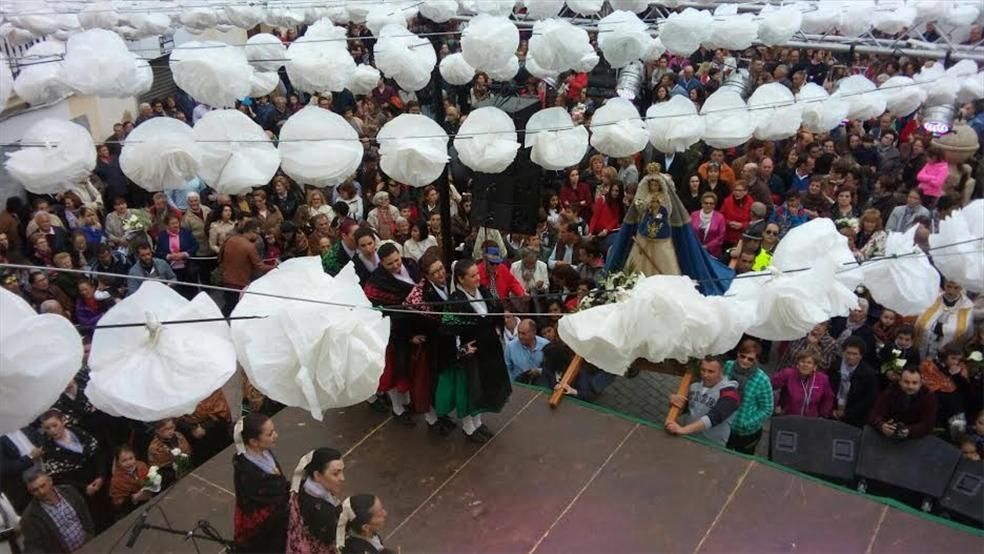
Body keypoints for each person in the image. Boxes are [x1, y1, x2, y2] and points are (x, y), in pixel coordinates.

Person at [436, 259, 512, 443]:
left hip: (488, 351)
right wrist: (462, 349)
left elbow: (495, 312)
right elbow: (447, 332)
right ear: (461, 279)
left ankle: (478, 423)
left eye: (477, 273)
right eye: (472, 276)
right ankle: (469, 428)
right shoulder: (455, 303)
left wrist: (497, 326)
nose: (478, 278)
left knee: (483, 388)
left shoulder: (484, 292)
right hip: (471, 356)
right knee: (470, 391)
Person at [363, 243, 421, 424]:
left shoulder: (411, 265)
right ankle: (397, 409)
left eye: (397, 261)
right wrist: (407, 334)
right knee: (394, 372)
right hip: (392, 334)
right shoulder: (377, 283)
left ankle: (408, 403)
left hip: (417, 327)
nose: (396, 266)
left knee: (412, 370)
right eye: (390, 264)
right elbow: (379, 311)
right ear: (382, 264)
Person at [38, 409, 110, 532]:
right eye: (47, 428)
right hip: (79, 490)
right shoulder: (48, 449)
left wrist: (101, 476)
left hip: (100, 478)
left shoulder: (78, 432)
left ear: (63, 421)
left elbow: (98, 453)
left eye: (55, 425)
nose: (52, 430)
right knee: (95, 522)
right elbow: (59, 478)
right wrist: (84, 488)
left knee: (109, 511)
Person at [233, 413, 289, 553]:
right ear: (253, 441)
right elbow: (271, 496)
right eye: (270, 434)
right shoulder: (248, 472)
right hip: (263, 525)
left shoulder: (264, 451)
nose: (276, 435)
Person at [665, 356, 740, 446]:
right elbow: (686, 410)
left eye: (711, 371)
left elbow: (715, 416)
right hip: (689, 439)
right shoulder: (694, 386)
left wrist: (682, 430)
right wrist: (674, 401)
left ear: (721, 371)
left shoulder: (730, 393)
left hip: (712, 446)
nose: (705, 375)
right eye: (703, 370)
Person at [20, 469, 94, 553]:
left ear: (50, 481)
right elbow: (34, 548)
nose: (41, 492)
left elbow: (85, 515)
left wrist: (90, 537)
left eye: (43, 486)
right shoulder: (29, 518)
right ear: (30, 492)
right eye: (35, 490)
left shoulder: (69, 491)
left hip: (89, 546)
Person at [286, 448, 344, 554]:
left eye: (341, 472)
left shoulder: (302, 485)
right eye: (335, 474)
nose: (342, 478)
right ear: (317, 475)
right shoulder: (323, 513)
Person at [623, 170, 681, 276]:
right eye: (652, 184)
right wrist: (644, 206)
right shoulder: (647, 195)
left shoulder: (664, 196)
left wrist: (658, 211)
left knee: (662, 254)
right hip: (646, 226)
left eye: (656, 184)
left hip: (661, 228)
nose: (654, 187)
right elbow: (641, 209)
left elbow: (668, 210)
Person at [723, 340, 774, 454]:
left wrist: (746, 423)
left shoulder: (762, 379)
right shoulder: (728, 366)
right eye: (743, 356)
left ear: (756, 360)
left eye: (750, 359)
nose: (745, 361)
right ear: (738, 354)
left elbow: (767, 408)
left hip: (745, 433)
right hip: (724, 424)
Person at [219, 221, 276, 316]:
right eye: (256, 233)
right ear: (250, 231)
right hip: (240, 282)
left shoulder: (230, 239)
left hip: (226, 278)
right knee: (234, 308)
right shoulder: (249, 246)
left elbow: (220, 257)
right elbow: (259, 266)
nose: (258, 237)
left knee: (228, 306)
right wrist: (274, 267)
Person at [869, 365, 938, 440]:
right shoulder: (890, 391)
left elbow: (928, 424)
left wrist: (909, 431)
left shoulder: (928, 397)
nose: (910, 386)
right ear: (900, 382)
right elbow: (874, 413)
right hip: (887, 436)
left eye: (914, 383)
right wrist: (881, 425)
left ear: (920, 384)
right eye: (906, 382)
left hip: (914, 440)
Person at [914, 280, 975, 361]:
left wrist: (940, 327)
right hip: (928, 338)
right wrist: (934, 327)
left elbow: (963, 329)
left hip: (945, 343)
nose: (951, 291)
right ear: (944, 285)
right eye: (948, 286)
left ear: (961, 288)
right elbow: (921, 321)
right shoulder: (934, 297)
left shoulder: (967, 305)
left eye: (956, 288)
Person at [828, 337, 880, 427]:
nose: (851, 357)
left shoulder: (868, 374)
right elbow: (827, 390)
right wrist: (831, 410)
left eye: (855, 354)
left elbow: (868, 399)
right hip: (832, 414)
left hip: (854, 419)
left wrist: (847, 413)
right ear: (843, 352)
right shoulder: (834, 366)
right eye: (848, 353)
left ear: (861, 355)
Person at [771, 349, 835, 418]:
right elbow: (769, 386)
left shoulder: (823, 379)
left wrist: (823, 415)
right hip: (788, 418)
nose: (805, 365)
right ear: (797, 364)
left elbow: (828, 398)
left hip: (811, 420)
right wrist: (775, 405)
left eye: (809, 362)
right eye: (802, 361)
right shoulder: (788, 374)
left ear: (815, 366)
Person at [108, 445, 153, 517]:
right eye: (124, 461)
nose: (129, 462)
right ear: (118, 463)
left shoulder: (141, 465)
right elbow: (118, 506)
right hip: (134, 512)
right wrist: (134, 498)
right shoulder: (116, 481)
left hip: (153, 502)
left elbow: (152, 480)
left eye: (131, 458)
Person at [504, 319, 550, 384]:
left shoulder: (546, 345)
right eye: (519, 332)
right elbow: (507, 369)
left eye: (523, 333)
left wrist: (540, 371)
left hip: (542, 385)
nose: (520, 336)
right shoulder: (510, 346)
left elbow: (552, 369)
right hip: (519, 386)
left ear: (533, 333)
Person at [690, 191, 726, 258]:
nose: (708, 205)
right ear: (702, 204)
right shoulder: (693, 215)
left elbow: (721, 237)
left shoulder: (720, 217)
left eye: (711, 203)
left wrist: (707, 246)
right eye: (706, 203)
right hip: (695, 249)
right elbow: (689, 232)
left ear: (714, 205)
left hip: (713, 253)